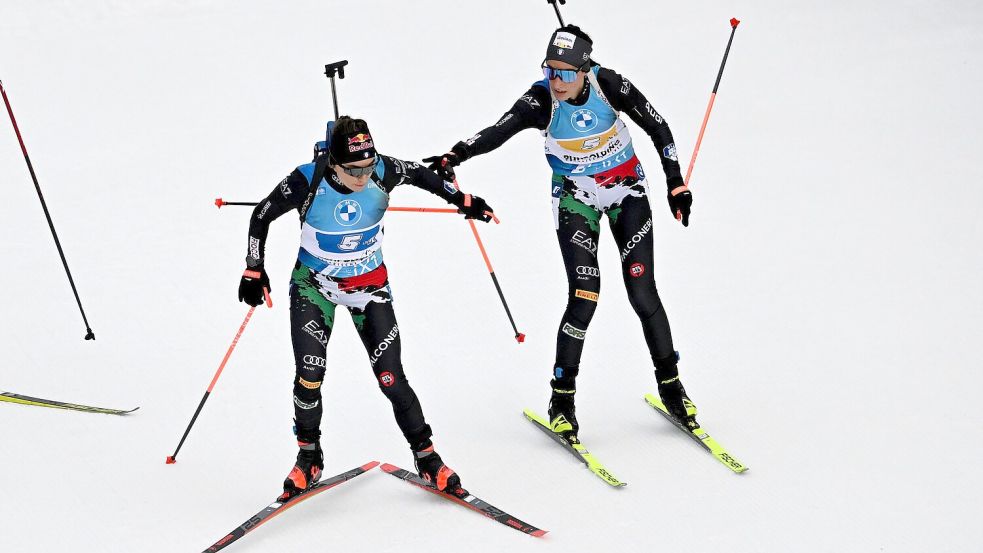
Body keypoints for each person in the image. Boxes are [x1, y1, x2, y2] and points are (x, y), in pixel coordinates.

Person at [424, 25, 699, 439]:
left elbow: (659, 127)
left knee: (643, 290)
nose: (557, 81)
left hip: (628, 192)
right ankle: (562, 398)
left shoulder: (610, 85)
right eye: (550, 70)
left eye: (566, 73)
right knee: (585, 296)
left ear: (585, 69)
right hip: (576, 200)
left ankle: (671, 385)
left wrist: (674, 182)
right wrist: (456, 154)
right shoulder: (540, 99)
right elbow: (499, 130)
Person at [239, 116, 493, 500]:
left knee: (392, 377)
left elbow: (423, 176)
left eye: (368, 166)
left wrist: (462, 200)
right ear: (333, 163)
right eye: (353, 169)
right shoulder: (306, 179)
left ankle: (427, 457)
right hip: (315, 289)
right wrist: (253, 269)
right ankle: (308, 458)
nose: (363, 176)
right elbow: (261, 215)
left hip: (369, 289)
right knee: (309, 375)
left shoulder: (383, 169)